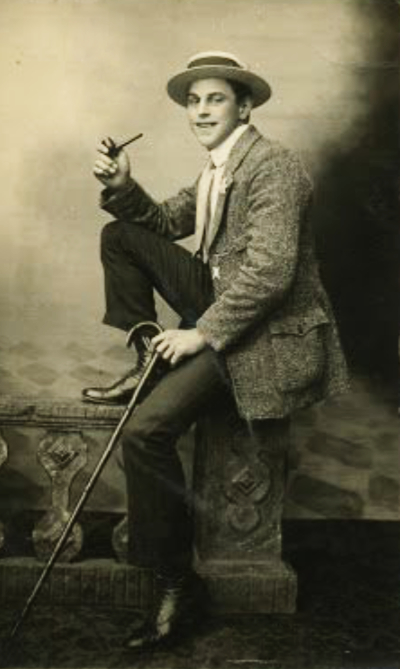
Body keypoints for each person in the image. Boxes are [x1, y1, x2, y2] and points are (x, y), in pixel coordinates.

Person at [82, 51, 348, 649]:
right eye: (193, 101)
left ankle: (177, 585)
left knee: (144, 432)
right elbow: (160, 223)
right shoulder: (217, 167)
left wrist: (199, 333)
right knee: (120, 234)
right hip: (224, 306)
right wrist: (121, 186)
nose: (201, 111)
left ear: (244, 107)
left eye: (215, 99)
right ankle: (146, 354)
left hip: (260, 336)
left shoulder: (274, 166)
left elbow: (271, 274)